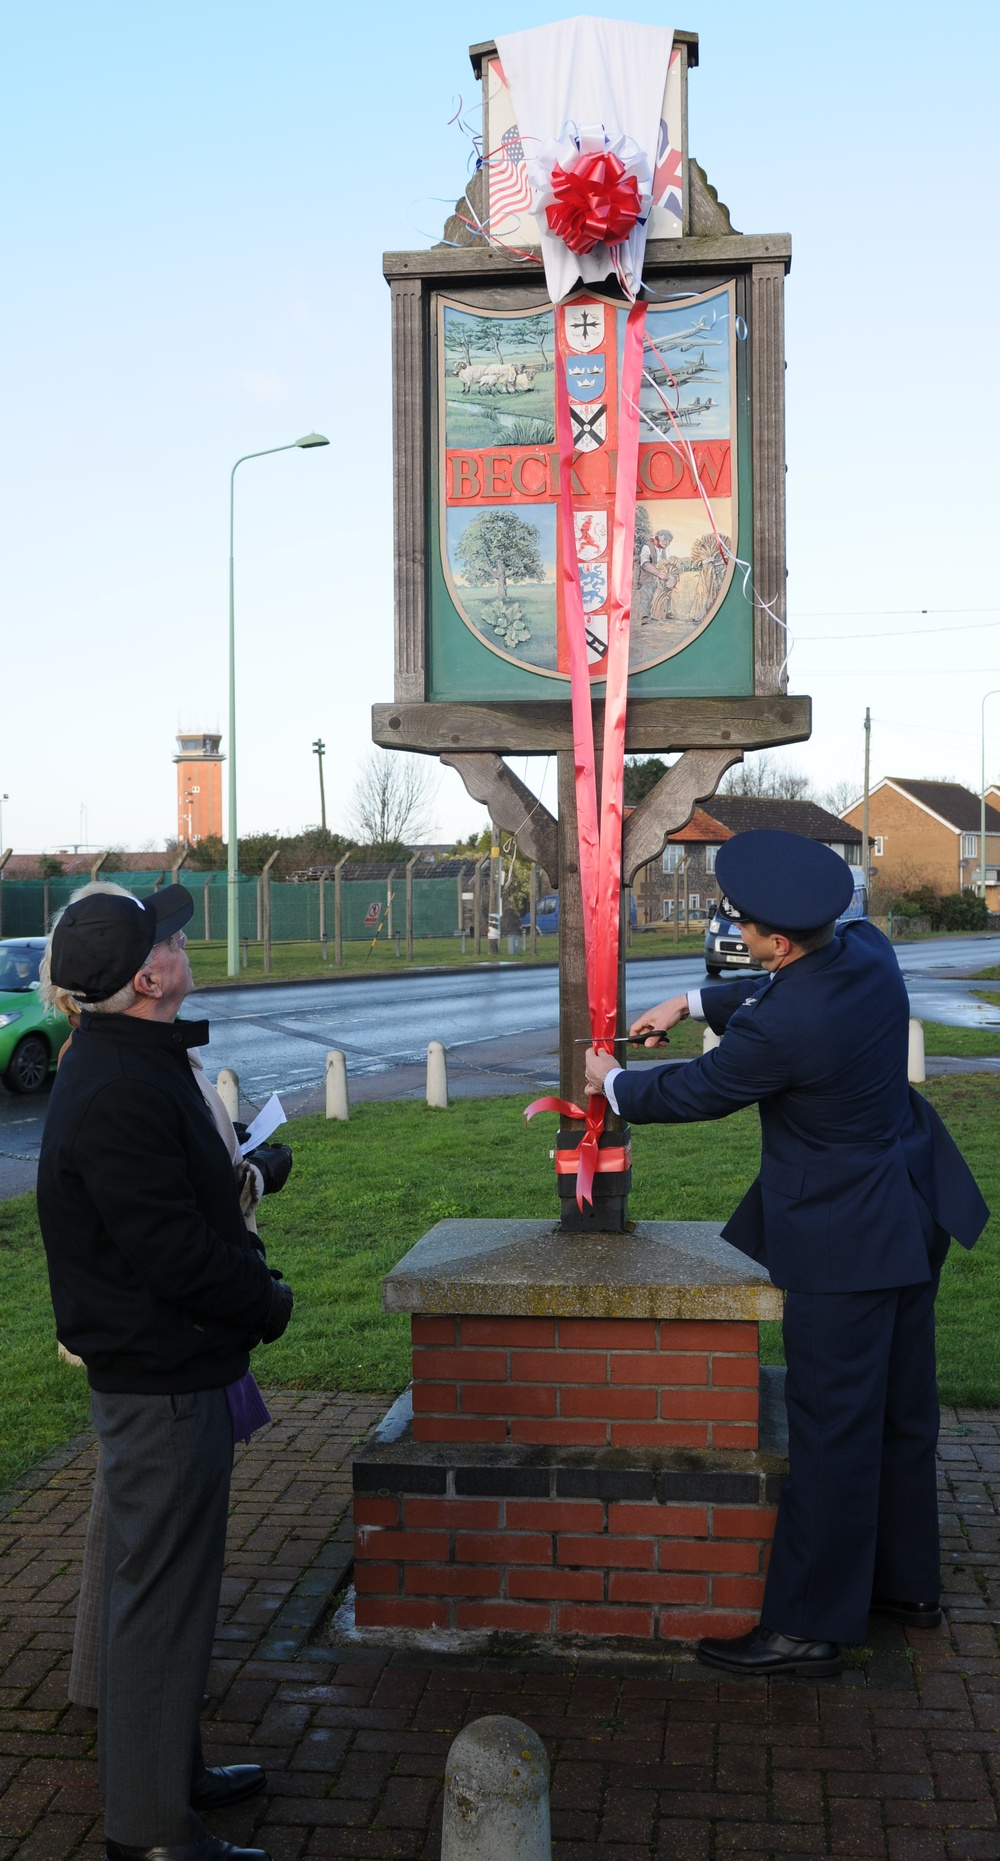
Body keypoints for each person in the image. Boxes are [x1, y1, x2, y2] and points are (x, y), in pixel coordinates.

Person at [585, 829, 988, 1678]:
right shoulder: (868, 951)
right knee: (901, 1413)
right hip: (914, 1208)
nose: (740, 933)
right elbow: (794, 995)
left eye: (746, 929)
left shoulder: (785, 1027)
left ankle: (807, 1627)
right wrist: (692, 1003)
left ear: (773, 942)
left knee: (833, 1430)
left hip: (847, 1240)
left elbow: (700, 1090)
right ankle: (905, 1584)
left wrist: (610, 1081)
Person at [37, 885, 293, 1861]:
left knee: (175, 1596)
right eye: (174, 938)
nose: (186, 945)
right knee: (158, 1605)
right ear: (147, 975)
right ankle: (148, 1832)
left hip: (173, 1367)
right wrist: (265, 1298)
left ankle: (167, 1774)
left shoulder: (130, 1062)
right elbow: (176, 1253)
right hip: (164, 1381)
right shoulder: (116, 1088)